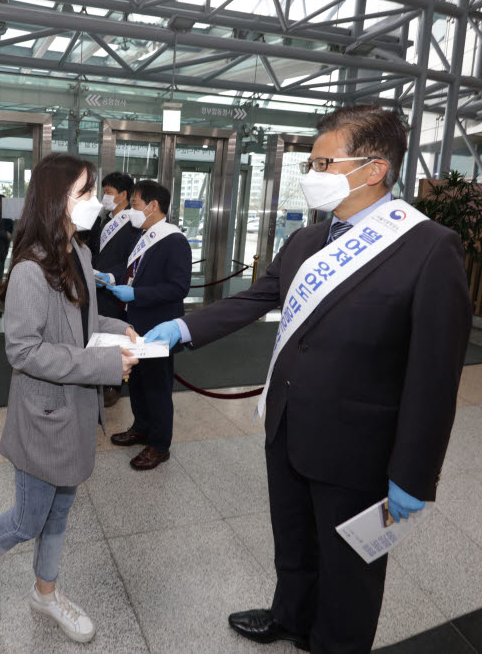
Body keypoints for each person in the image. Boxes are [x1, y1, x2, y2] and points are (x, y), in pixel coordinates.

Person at [144, 105, 472, 653]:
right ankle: (290, 615)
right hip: (289, 425)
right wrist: (182, 327)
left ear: (373, 169)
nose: (311, 175)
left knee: (350, 571)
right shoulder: (306, 242)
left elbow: (435, 376)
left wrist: (414, 473)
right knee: (292, 541)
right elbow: (255, 298)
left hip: (359, 447)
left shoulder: (429, 248)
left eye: (324, 163)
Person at [0, 153, 139, 643]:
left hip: (78, 409)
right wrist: (105, 364)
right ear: (56, 199)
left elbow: (84, 322)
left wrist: (117, 330)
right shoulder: (30, 269)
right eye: (85, 193)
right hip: (44, 412)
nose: (97, 202)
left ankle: (45, 593)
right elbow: (23, 350)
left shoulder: (79, 253)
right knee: (28, 518)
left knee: (61, 512)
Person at [100, 180, 191, 469]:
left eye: (136, 204)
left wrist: (136, 294)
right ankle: (141, 428)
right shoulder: (144, 235)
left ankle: (160, 444)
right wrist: (114, 279)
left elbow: (178, 288)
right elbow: (135, 272)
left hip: (158, 327)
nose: (133, 211)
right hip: (134, 322)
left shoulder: (174, 240)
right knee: (137, 383)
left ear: (153, 206)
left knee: (157, 388)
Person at [90, 172, 141, 408]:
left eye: (109, 192)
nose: (105, 196)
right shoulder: (103, 220)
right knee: (96, 333)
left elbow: (132, 259)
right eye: (104, 191)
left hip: (116, 289)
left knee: (113, 334)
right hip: (95, 286)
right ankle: (98, 379)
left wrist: (111, 277)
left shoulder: (133, 223)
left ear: (123, 195)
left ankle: (114, 384)